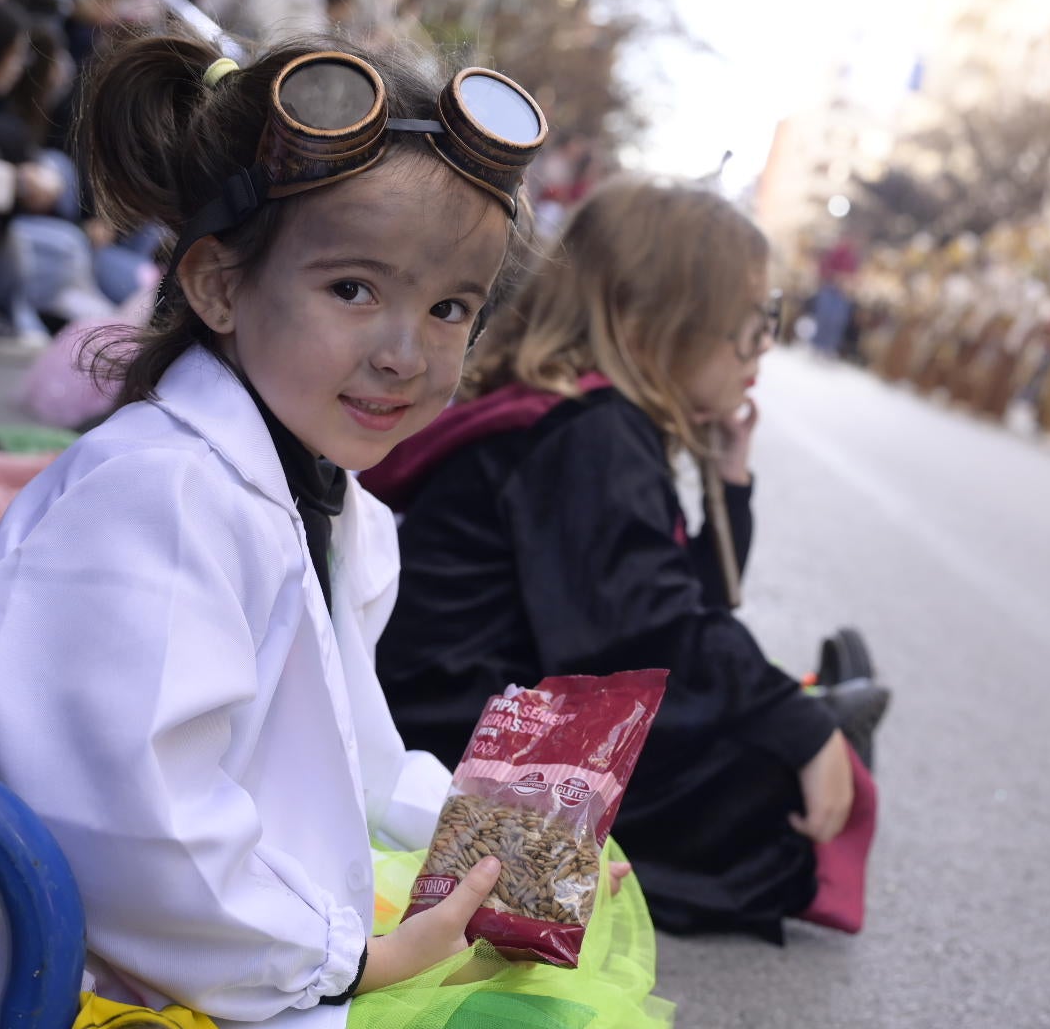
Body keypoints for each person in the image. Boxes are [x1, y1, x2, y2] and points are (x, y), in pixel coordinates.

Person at [0, 28, 655, 1027]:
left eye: (452, 307)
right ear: (219, 285)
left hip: (222, 958)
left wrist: (498, 841)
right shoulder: (164, 496)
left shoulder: (325, 498)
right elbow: (139, 832)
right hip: (61, 982)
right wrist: (346, 959)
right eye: (353, 289)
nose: (406, 353)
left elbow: (344, 753)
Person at [367, 177, 890, 943]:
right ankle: (825, 711)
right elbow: (653, 642)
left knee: (742, 730)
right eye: (751, 323)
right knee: (770, 799)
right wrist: (795, 725)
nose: (764, 346)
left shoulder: (588, 418)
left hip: (476, 712)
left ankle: (822, 709)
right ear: (660, 327)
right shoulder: (590, 435)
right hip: (456, 746)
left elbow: (688, 607)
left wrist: (727, 485)